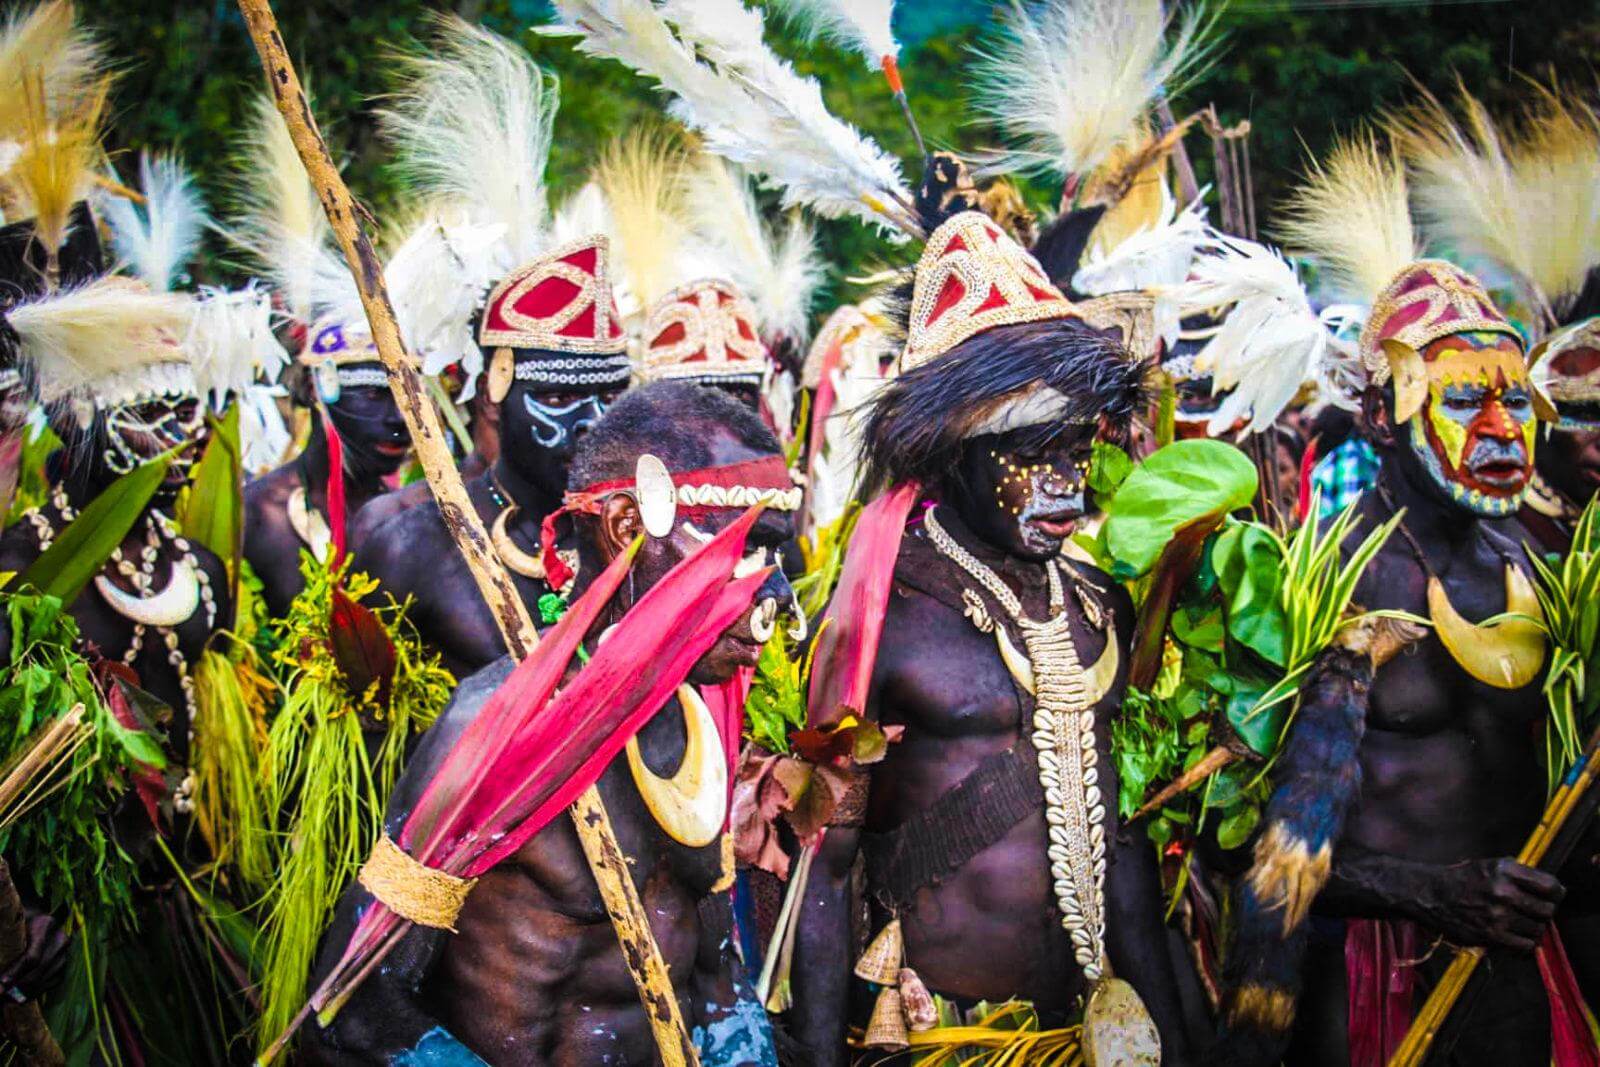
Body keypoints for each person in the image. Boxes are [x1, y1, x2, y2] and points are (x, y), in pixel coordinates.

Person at [790, 159, 1209, 1066]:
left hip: (1090, 1037)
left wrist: (1176, 1040)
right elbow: (824, 867)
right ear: (956, 456)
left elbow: (1124, 856)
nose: (1064, 483)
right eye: (1031, 455)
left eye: (1074, 450)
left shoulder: (1100, 601)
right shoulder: (885, 611)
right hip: (944, 1039)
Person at [1213, 132, 1590, 1067]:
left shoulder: (1542, 561)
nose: (1502, 430)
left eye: (1512, 399)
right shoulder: (1331, 579)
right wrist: (1432, 892)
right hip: (1382, 979)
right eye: (1464, 401)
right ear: (1382, 415)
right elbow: (1263, 853)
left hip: (1527, 964)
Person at [302, 381, 802, 1065]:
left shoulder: (701, 719)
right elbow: (351, 1010)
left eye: (777, 559)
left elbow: (714, 972)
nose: (777, 599)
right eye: (747, 550)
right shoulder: (494, 731)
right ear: (628, 526)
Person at [352, 22, 631, 676]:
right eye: (560, 395)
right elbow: (367, 760)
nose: (595, 421)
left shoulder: (646, 542)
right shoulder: (410, 547)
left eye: (612, 396)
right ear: (493, 393)